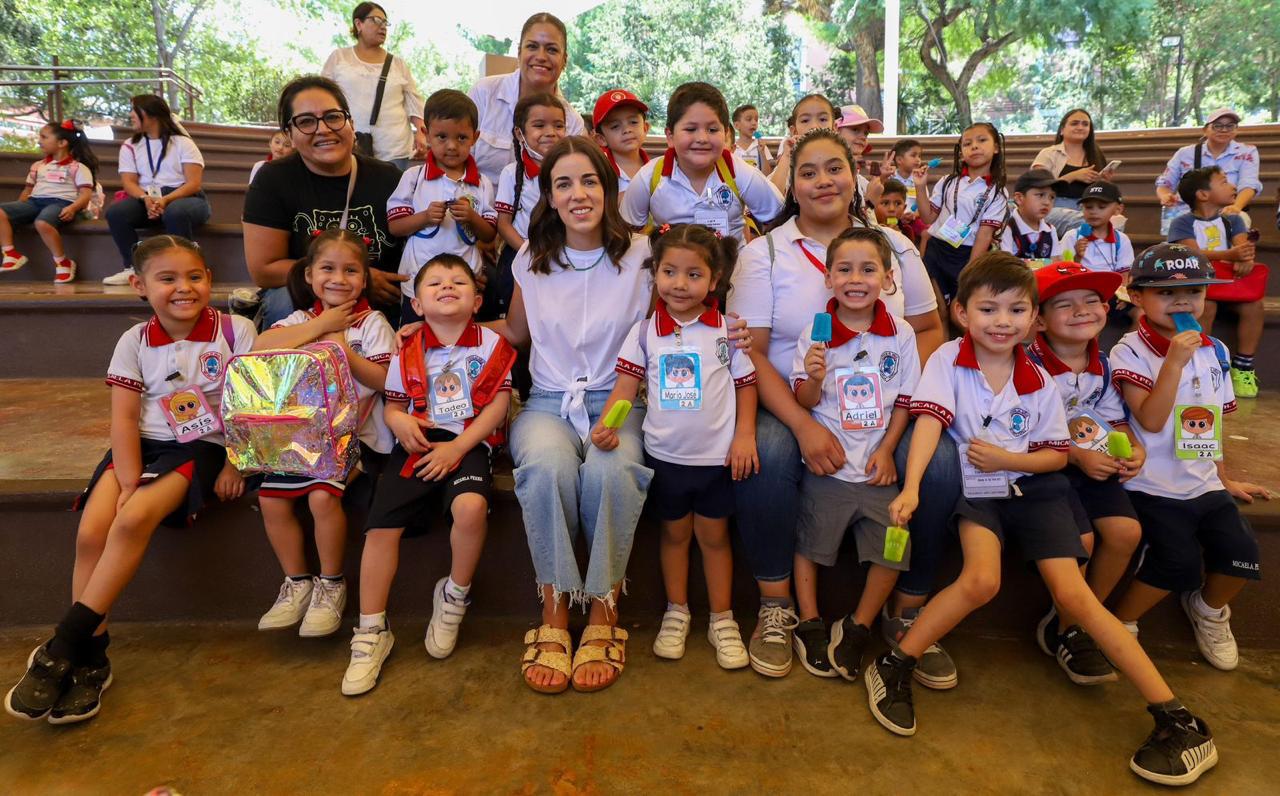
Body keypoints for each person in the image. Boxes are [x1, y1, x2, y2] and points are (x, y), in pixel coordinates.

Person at [867, 253, 1221, 787]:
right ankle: (894, 665)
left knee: (1076, 598)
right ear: (961, 312)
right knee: (982, 581)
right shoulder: (945, 358)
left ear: (1033, 320)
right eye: (988, 309)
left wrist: (1008, 459)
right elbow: (929, 426)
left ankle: (1176, 718)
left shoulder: (1038, 379)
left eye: (1016, 310)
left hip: (1035, 486)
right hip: (982, 493)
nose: (1001, 321)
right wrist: (913, 487)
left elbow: (1056, 456)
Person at [728, 127, 955, 683]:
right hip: (792, 399)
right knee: (770, 454)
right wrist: (805, 424)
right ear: (793, 183)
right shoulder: (766, 253)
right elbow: (752, 352)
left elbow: (928, 327)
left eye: (835, 167)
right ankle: (779, 606)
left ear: (855, 175)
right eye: (808, 171)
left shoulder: (893, 245)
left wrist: (898, 418)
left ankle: (907, 611)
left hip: (886, 405)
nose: (823, 180)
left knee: (943, 466)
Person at [3, 236, 255, 725]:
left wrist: (235, 463)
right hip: (140, 445)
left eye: (195, 276)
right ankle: (93, 661)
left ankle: (62, 647)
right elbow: (123, 420)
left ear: (209, 278)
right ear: (139, 286)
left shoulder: (236, 330)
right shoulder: (134, 340)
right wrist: (123, 480)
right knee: (93, 530)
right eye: (168, 278)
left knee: (132, 519)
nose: (184, 288)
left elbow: (248, 407)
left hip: (201, 447)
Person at [487, 137, 652, 694]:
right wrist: (440, 327)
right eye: (563, 184)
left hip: (620, 397)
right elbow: (515, 333)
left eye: (588, 181)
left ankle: (604, 613)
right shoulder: (531, 261)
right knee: (546, 468)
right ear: (549, 197)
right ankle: (555, 612)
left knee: (613, 470)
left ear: (608, 189)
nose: (578, 193)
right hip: (551, 401)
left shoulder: (642, 257)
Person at [341, 254, 515, 696]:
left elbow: (497, 406)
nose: (446, 286)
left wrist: (459, 446)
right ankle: (371, 631)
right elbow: (395, 403)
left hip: (468, 441)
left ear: (477, 300)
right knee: (380, 528)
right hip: (417, 442)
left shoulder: (491, 347)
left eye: (457, 281)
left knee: (471, 507)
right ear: (416, 304)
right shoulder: (409, 349)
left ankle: (454, 594)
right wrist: (398, 421)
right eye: (433, 282)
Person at [597, 224, 757, 671]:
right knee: (674, 535)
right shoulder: (645, 332)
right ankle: (677, 611)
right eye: (670, 272)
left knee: (713, 537)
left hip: (716, 460)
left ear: (715, 278)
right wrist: (607, 426)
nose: (680, 284)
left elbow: (746, 385)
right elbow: (625, 388)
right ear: (655, 274)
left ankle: (722, 619)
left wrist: (745, 435)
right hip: (666, 459)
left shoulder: (729, 330)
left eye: (693, 274)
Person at [1111, 244, 1269, 674]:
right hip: (1151, 485)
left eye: (1195, 291)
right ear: (1137, 297)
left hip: (1202, 481)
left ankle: (1208, 609)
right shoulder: (1129, 351)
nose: (1183, 302)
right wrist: (1174, 363)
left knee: (1242, 555)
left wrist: (1223, 477)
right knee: (1175, 560)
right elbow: (1152, 419)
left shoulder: (1215, 349)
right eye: (1165, 293)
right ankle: (1121, 622)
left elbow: (1210, 421)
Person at [790, 227, 921, 682]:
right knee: (810, 540)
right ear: (828, 278)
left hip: (876, 468)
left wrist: (888, 449)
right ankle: (809, 620)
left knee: (892, 546)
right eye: (843, 269)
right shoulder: (815, 332)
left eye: (868, 269)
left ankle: (860, 624)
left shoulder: (900, 334)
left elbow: (905, 399)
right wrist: (812, 376)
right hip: (830, 465)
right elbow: (805, 401)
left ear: (887, 278)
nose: (855, 279)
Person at [252, 229, 395, 639]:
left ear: (364, 279)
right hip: (299, 437)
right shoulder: (300, 319)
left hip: (356, 439)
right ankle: (298, 582)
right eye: (328, 269)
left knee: (320, 495)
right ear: (310, 275)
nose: (339, 278)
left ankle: (332, 583)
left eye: (351, 270)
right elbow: (260, 347)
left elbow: (388, 381)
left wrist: (342, 349)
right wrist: (324, 325)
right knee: (269, 499)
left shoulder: (372, 323)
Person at [1029, 263, 1145, 685]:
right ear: (1038, 319)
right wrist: (1075, 455)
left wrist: (1134, 447)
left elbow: (1116, 421)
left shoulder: (1104, 364)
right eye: (1065, 304)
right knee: (1082, 539)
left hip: (1095, 465)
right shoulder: (1026, 365)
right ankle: (1074, 627)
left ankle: (1075, 623)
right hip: (1047, 468)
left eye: (1093, 300)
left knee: (1125, 533)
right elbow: (1019, 432)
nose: (1083, 311)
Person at [242, 75, 405, 328]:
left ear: (350, 123)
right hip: (308, 300)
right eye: (306, 121)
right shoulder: (273, 179)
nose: (323, 129)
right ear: (289, 134)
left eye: (333, 117)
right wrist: (355, 277)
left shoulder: (390, 178)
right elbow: (265, 269)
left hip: (384, 304)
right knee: (283, 298)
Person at [621, 81, 783, 243]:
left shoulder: (739, 172)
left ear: (725, 133)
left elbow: (779, 218)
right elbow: (629, 232)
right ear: (670, 136)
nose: (702, 139)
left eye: (712, 130)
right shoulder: (650, 177)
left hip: (733, 268)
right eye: (690, 129)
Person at [386, 89, 497, 323]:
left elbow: (489, 233)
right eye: (442, 137)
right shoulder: (414, 178)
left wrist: (472, 218)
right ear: (426, 134)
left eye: (462, 138)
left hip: (465, 284)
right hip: (418, 281)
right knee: (415, 338)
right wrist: (425, 217)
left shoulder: (482, 183)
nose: (452, 146)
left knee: (462, 338)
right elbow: (395, 227)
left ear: (475, 138)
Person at [1168, 167, 1266, 397]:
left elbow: (1242, 248)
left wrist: (1245, 257)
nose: (1233, 186)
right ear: (1203, 194)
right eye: (1223, 182)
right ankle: (1202, 361)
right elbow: (1192, 254)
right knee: (1207, 304)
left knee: (1254, 306)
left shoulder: (1233, 220)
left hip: (1231, 284)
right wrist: (1231, 255)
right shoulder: (1182, 223)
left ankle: (1243, 365)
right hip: (1198, 286)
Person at [102, 95, 211, 286]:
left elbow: (193, 183)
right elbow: (129, 182)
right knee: (116, 213)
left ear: (151, 114)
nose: (131, 115)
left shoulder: (183, 143)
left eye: (135, 111)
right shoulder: (130, 145)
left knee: (175, 213)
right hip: (147, 197)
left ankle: (185, 269)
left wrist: (166, 200)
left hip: (185, 197)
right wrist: (145, 199)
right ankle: (133, 267)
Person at [467, 12, 586, 186]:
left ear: (564, 60)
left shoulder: (573, 123)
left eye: (552, 49)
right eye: (532, 46)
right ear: (519, 53)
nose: (541, 56)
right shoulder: (484, 93)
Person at [321, 3, 426, 169]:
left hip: (393, 148)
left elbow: (413, 100)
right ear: (358, 24)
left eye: (385, 23)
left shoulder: (398, 64)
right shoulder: (339, 58)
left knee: (393, 194)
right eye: (376, 20)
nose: (382, 27)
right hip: (349, 143)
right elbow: (323, 98)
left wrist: (421, 132)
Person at [491, 93, 568, 317]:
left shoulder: (569, 171)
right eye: (539, 125)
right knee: (520, 317)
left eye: (558, 125)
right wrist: (529, 250)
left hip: (562, 258)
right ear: (519, 133)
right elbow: (503, 224)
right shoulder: (512, 174)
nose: (550, 132)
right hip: (521, 257)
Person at [0, 119, 98, 283]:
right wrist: (19, 211)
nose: (39, 141)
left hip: (61, 203)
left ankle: (62, 262)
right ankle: (10, 253)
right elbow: (28, 190)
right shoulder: (38, 166)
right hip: (35, 202)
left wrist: (73, 208)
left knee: (43, 223)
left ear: (62, 143)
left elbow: (85, 194)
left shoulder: (78, 168)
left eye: (44, 137)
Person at [923, 122, 1008, 306]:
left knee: (959, 308)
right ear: (961, 152)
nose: (974, 146)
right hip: (937, 249)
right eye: (967, 143)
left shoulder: (997, 192)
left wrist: (970, 269)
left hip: (968, 255)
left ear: (995, 148)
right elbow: (927, 218)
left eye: (982, 140)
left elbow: (985, 234)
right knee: (938, 309)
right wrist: (920, 186)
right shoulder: (947, 182)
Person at [1156, 108, 1262, 226]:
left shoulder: (1247, 152)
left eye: (1230, 126)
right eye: (1217, 126)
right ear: (1205, 130)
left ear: (1236, 130)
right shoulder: (1185, 153)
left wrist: (1236, 207)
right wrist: (1165, 196)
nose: (1224, 130)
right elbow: (1165, 184)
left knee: (1239, 221)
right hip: (1187, 212)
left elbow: (1249, 184)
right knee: (1180, 230)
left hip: (1227, 211)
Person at [1031, 109, 1116, 233]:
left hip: (1087, 207)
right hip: (1054, 207)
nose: (1080, 127)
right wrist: (1073, 176)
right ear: (1062, 130)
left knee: (1116, 221)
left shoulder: (1095, 155)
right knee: (1092, 222)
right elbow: (1037, 188)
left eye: (1085, 124)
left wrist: (1103, 182)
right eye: (1074, 123)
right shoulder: (1048, 153)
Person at [768, 94, 837, 194]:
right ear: (794, 131)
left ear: (834, 128)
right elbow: (771, 198)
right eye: (805, 120)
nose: (814, 126)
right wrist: (786, 156)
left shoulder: (842, 162)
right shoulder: (789, 166)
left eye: (822, 119)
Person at [1060, 181, 1134, 275]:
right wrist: (1077, 257)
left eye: (1101, 207)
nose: (1093, 212)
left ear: (1118, 209)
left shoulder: (1121, 240)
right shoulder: (1071, 237)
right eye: (1088, 207)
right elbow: (1063, 272)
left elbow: (1124, 275)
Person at [592, 89, 651, 194]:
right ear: (601, 139)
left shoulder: (657, 169)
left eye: (633, 122)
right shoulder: (598, 171)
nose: (627, 130)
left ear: (645, 128)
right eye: (615, 126)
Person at [999, 169, 1062, 264]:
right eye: (1040, 195)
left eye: (1051, 197)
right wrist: (1044, 264)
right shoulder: (1007, 228)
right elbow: (1007, 265)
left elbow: (1055, 263)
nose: (1047, 202)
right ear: (1019, 198)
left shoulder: (1050, 230)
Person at [874, 179, 918, 246]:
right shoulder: (867, 231)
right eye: (885, 203)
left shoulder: (907, 231)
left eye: (898, 203)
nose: (892, 209)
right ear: (874, 206)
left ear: (904, 208)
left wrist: (899, 238)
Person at [731, 104, 770, 171]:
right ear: (737, 125)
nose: (754, 123)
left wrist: (762, 153)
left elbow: (766, 174)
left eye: (756, 120)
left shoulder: (761, 146)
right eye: (749, 119)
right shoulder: (731, 147)